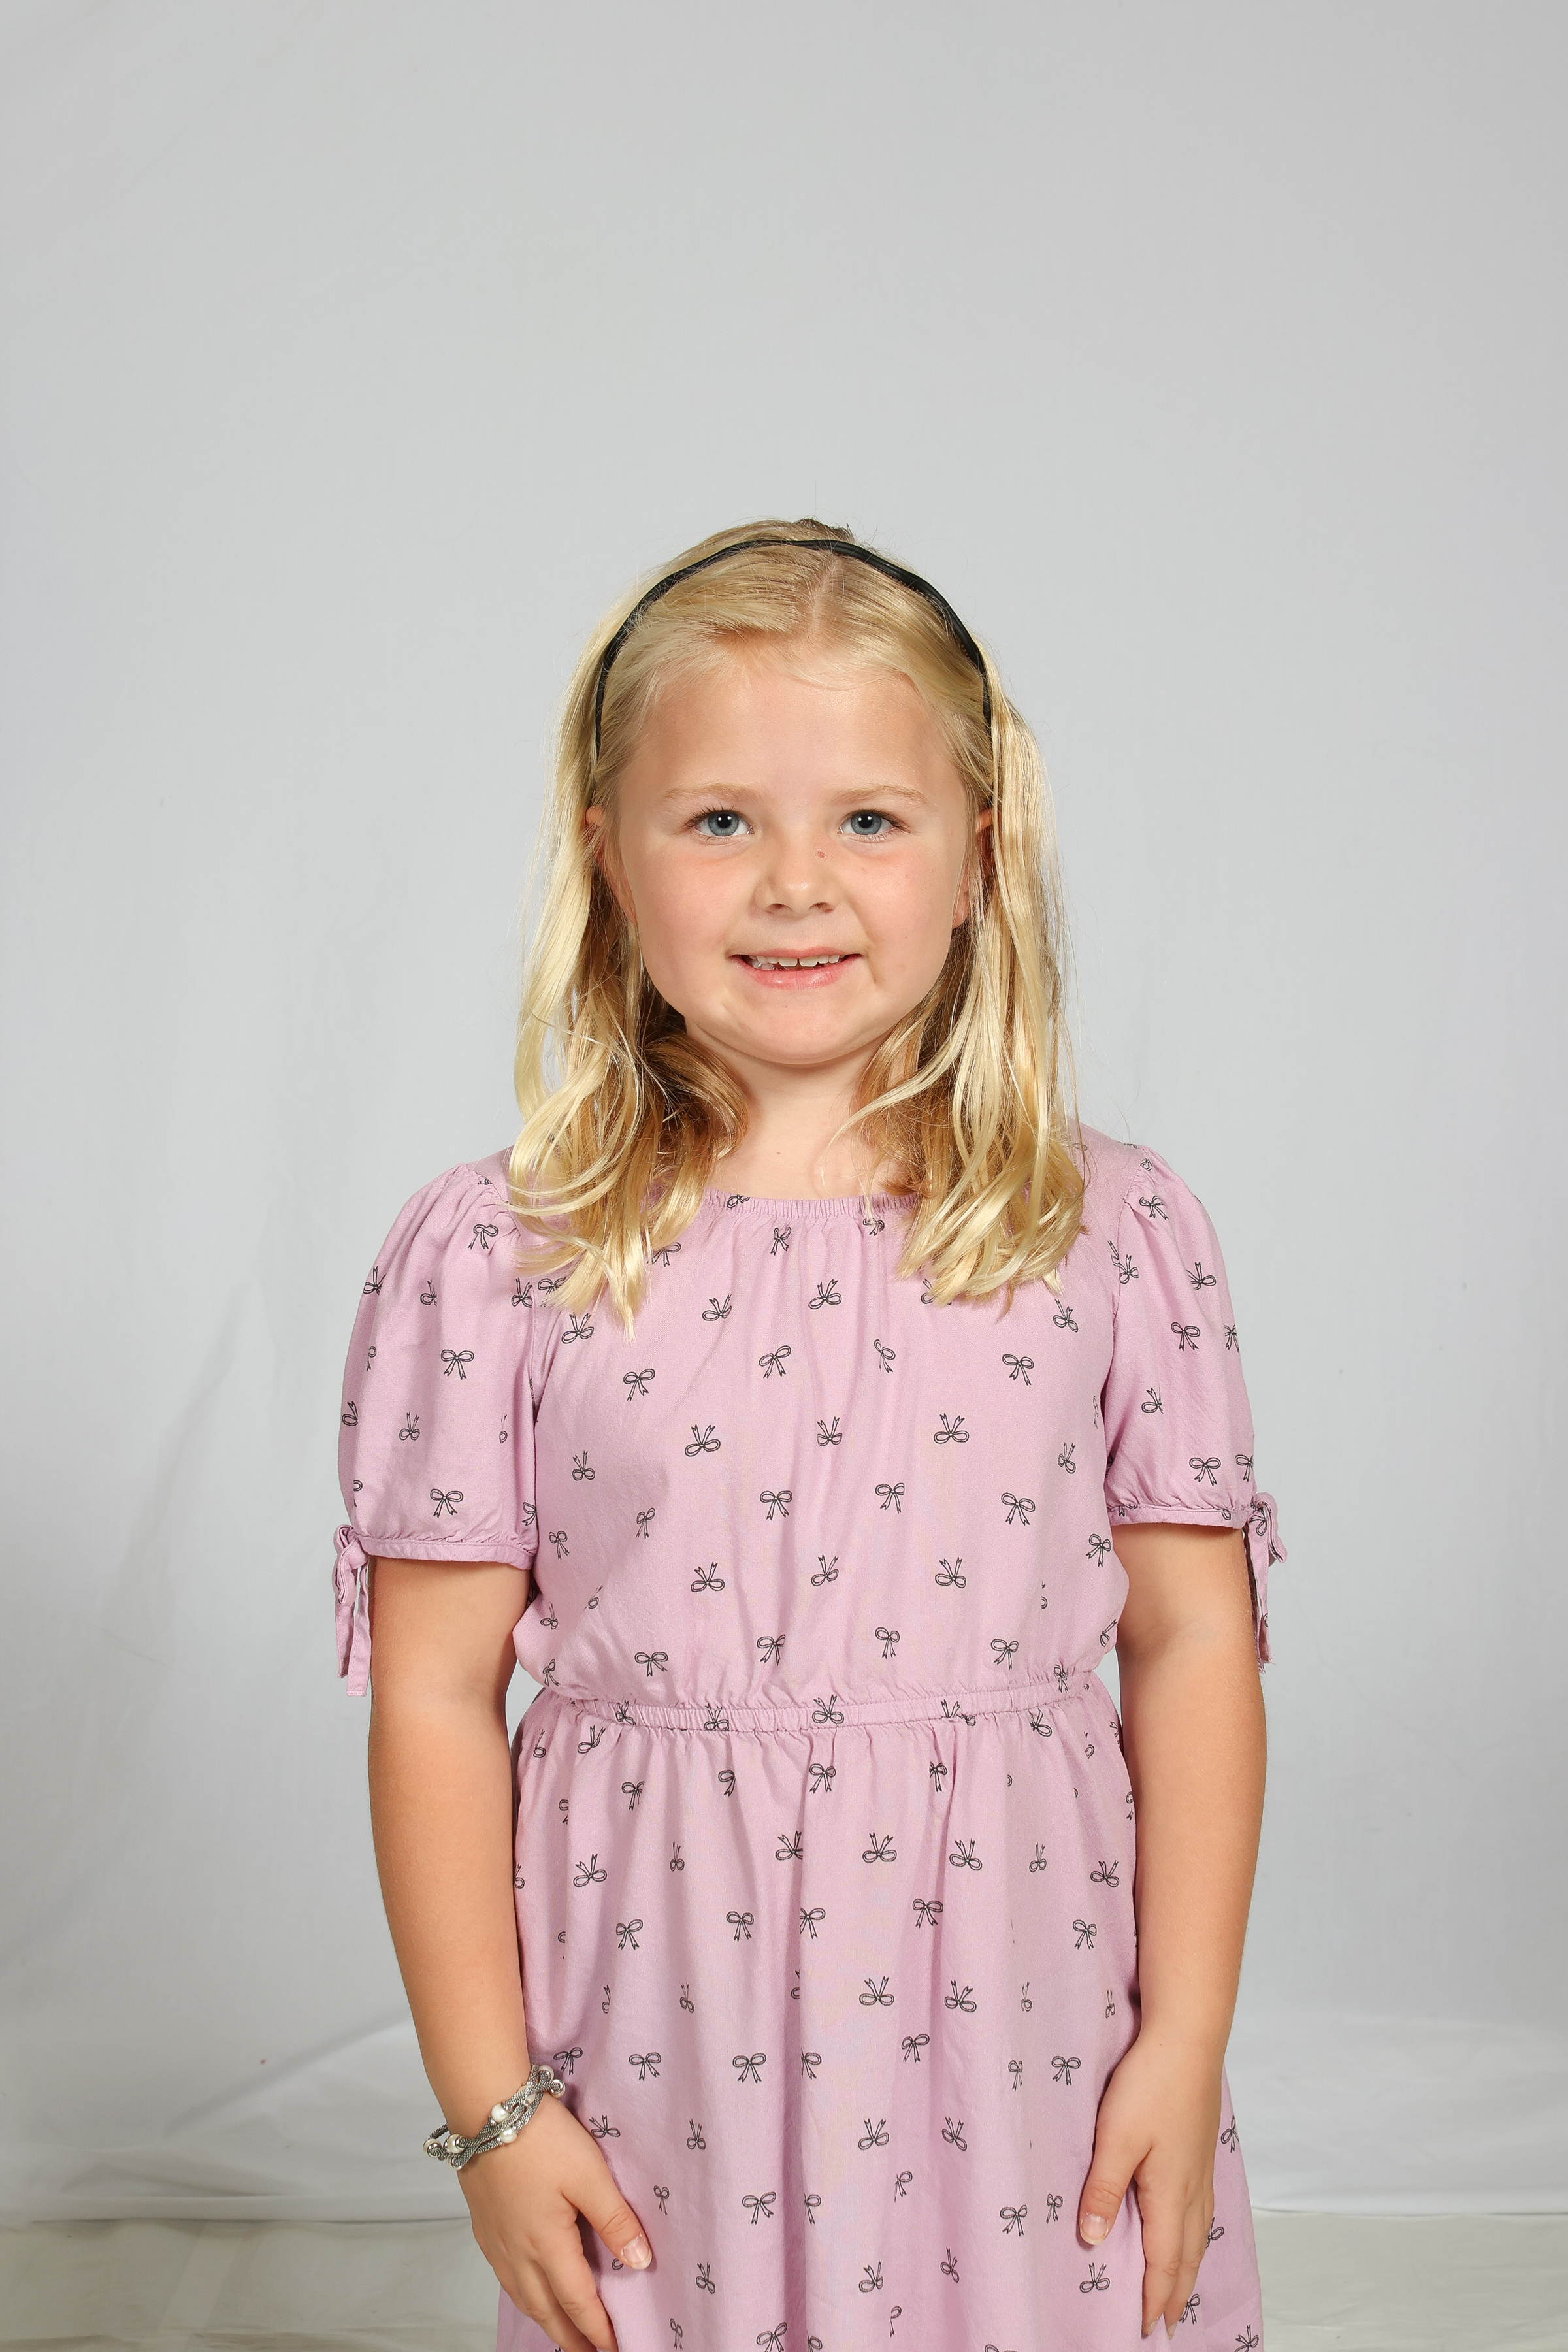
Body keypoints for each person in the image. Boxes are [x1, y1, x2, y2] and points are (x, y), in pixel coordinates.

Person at [331, 522, 1286, 2352]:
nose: (796, 885)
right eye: (718, 821)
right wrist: (493, 2115)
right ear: (607, 859)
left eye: (867, 819)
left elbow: (1192, 1643)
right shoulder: (503, 1254)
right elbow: (436, 1698)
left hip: (1027, 2036)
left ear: (977, 857)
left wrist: (1186, 2038)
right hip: (664, 2039)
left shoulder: (1112, 1232)